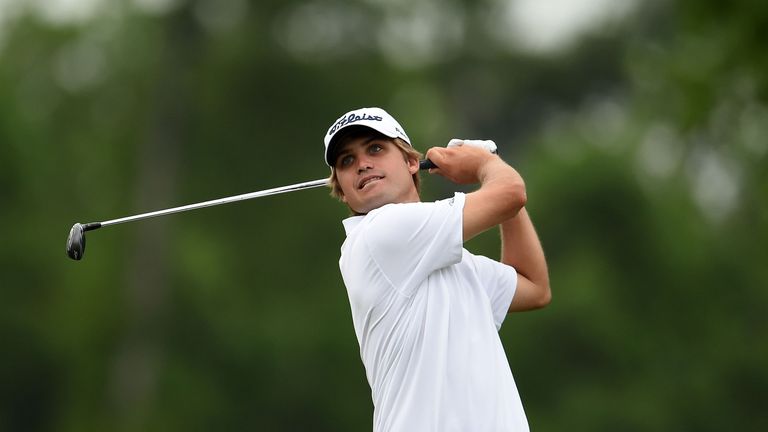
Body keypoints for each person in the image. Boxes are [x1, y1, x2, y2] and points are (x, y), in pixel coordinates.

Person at [323, 107, 550, 432]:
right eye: (346, 161)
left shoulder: (453, 262)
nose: (362, 164)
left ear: (412, 162)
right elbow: (511, 193)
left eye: (375, 148)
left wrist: (491, 167)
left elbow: (534, 286)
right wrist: (487, 164)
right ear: (343, 191)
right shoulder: (380, 233)